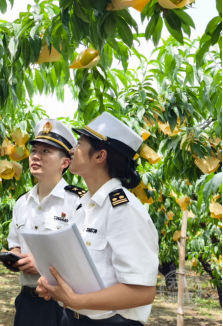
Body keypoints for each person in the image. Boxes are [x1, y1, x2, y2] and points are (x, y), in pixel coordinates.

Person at [36, 112, 159, 326]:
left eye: (80, 144)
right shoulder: (84, 207)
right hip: (72, 319)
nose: (72, 150)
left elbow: (143, 292)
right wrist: (54, 285)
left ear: (100, 156)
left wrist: (77, 300)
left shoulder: (123, 210)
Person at [5, 119, 87, 326]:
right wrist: (14, 257)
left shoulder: (78, 202)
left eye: (46, 151)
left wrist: (41, 264)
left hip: (61, 305)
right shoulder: (21, 203)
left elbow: (84, 257)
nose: (36, 156)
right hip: (26, 301)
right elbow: (15, 244)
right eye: (34, 150)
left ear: (65, 162)